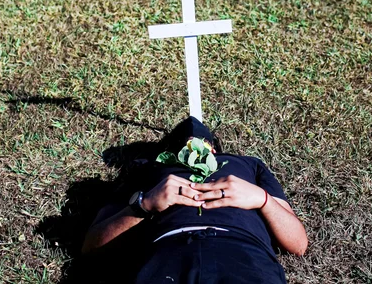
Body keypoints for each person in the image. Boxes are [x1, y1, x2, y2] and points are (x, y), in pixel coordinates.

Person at [82, 117, 307, 283]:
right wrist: (145, 204)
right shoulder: (148, 168)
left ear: (216, 150)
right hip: (165, 252)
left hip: (242, 252)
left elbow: (297, 244)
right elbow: (92, 246)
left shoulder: (247, 164)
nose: (192, 133)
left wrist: (263, 199)